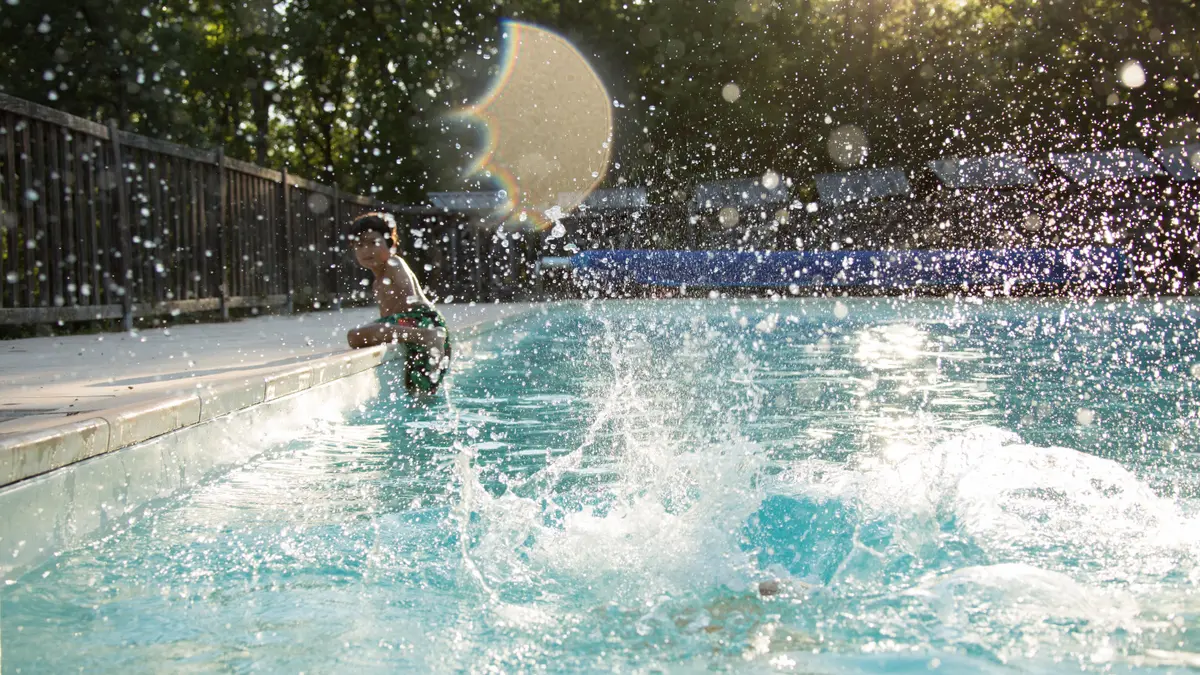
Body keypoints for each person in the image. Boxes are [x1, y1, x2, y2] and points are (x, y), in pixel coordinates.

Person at [345, 212, 451, 394]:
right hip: (417, 328)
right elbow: (387, 320)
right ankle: (425, 340)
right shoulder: (377, 283)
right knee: (419, 389)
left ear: (391, 244)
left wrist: (395, 327)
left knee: (354, 336)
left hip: (422, 322)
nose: (366, 250)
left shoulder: (395, 264)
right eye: (359, 245)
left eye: (373, 242)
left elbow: (409, 297)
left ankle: (426, 336)